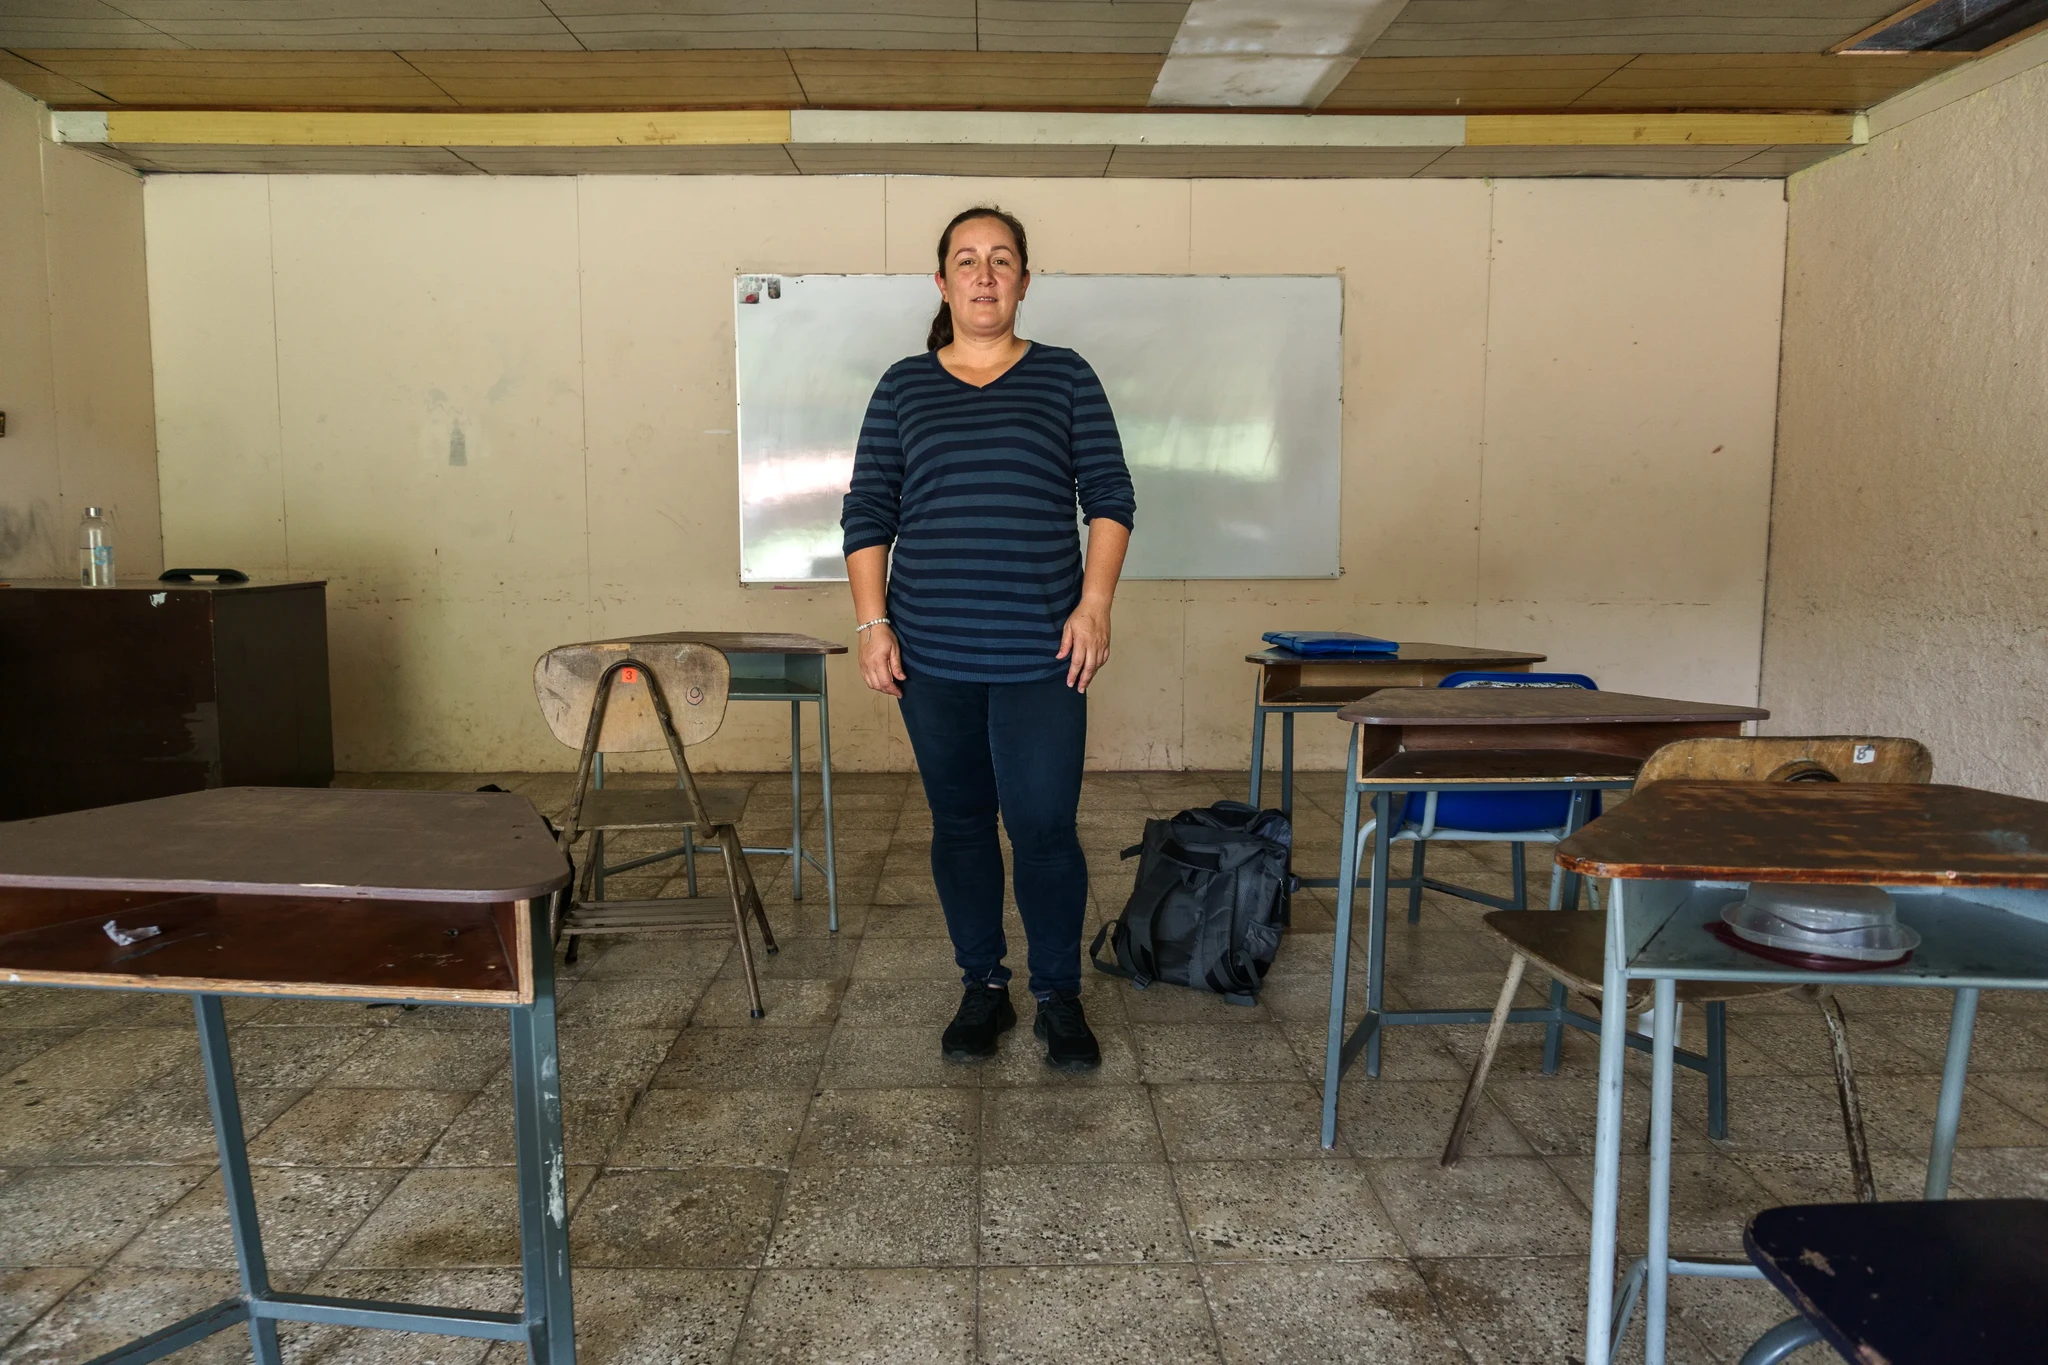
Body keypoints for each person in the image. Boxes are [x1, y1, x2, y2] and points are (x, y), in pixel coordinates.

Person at [840, 206, 1135, 1072]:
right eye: (966, 260)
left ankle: (1058, 997)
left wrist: (1096, 603)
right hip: (931, 656)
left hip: (1045, 656)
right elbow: (867, 513)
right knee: (962, 824)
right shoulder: (903, 386)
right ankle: (982, 985)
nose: (983, 274)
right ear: (942, 282)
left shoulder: (1066, 377)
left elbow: (1111, 496)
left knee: (1044, 826)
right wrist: (872, 623)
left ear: (1024, 280)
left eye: (1000, 259)